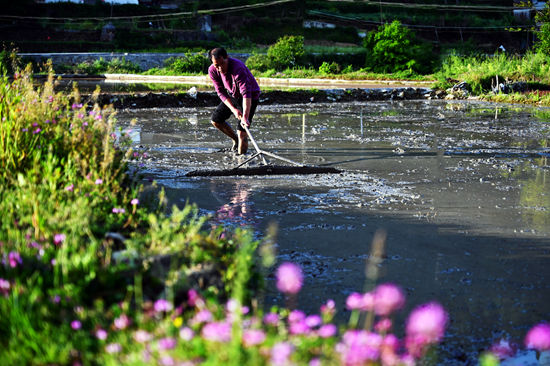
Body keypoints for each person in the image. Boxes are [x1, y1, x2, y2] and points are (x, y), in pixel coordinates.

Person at [208, 47, 261, 155]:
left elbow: (246, 94)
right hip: (232, 95)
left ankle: (241, 159)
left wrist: (245, 117)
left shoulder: (238, 68)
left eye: (222, 63)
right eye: (216, 65)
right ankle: (235, 139)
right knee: (216, 120)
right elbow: (221, 92)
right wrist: (233, 109)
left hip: (249, 96)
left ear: (227, 57)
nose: (220, 68)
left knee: (242, 132)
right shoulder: (213, 70)